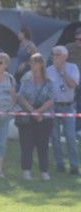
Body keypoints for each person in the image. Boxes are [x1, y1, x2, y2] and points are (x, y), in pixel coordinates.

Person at [17, 53, 55, 181]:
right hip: (28, 118)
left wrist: (39, 112)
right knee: (26, 146)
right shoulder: (26, 79)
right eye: (31, 62)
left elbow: (51, 100)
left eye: (34, 62)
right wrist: (33, 111)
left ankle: (44, 172)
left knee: (43, 145)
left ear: (41, 64)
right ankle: (26, 172)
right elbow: (21, 97)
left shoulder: (49, 81)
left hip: (44, 119)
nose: (32, 65)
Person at [47, 46, 80, 176]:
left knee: (70, 137)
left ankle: (74, 166)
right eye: (53, 54)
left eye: (58, 54)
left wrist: (62, 72)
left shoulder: (73, 68)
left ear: (65, 56)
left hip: (68, 106)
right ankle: (59, 164)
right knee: (54, 137)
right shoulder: (48, 70)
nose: (55, 56)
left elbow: (73, 84)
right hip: (53, 106)